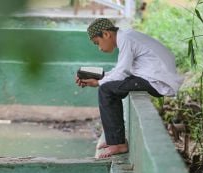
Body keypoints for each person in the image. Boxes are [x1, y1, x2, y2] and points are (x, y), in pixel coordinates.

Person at [75, 18, 183, 158]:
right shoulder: (126, 36)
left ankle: (118, 143)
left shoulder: (125, 39)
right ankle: (113, 139)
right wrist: (100, 78)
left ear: (106, 34)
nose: (99, 48)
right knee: (107, 86)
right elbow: (120, 71)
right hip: (150, 76)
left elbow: (121, 73)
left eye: (97, 43)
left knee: (106, 90)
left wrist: (99, 83)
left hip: (156, 80)